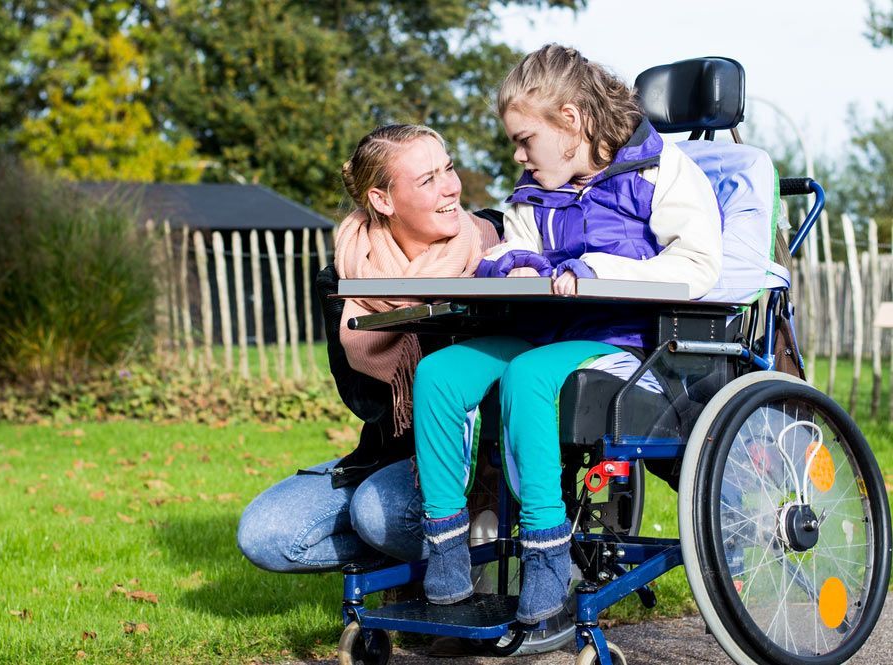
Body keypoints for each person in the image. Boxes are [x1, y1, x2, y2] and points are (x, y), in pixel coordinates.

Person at [414, 44, 723, 625]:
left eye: (525, 139)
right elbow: (514, 244)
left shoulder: (660, 172)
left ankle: (548, 556)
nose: (518, 154)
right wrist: (514, 265)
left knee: (531, 376)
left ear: (571, 122)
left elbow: (699, 268)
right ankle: (448, 551)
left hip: (626, 341)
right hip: (542, 331)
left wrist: (596, 269)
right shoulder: (536, 186)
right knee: (439, 374)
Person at [236, 124, 499, 573]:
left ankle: (495, 556)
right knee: (267, 534)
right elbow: (367, 401)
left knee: (379, 515)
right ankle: (428, 558)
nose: (451, 187)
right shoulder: (345, 277)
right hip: (394, 453)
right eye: (427, 180)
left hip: (487, 457)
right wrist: (406, 311)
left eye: (448, 168)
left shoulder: (495, 250)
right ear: (382, 200)